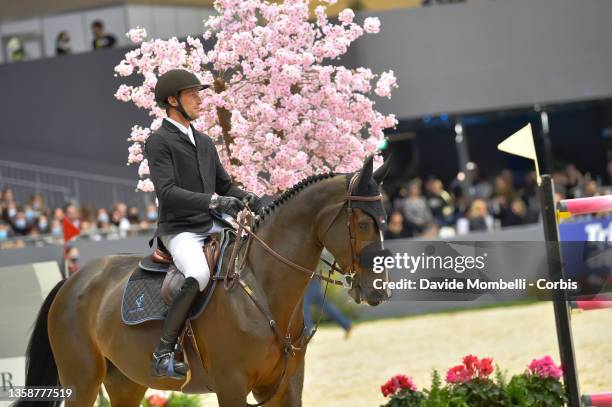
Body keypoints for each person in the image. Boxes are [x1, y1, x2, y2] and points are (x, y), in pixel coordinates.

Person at [145, 69, 262, 380]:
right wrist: (213, 202)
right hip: (180, 230)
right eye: (192, 94)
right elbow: (166, 192)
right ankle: (164, 351)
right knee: (198, 273)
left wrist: (254, 198)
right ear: (172, 101)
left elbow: (226, 187)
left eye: (200, 93)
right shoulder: (158, 142)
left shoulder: (205, 141)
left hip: (212, 227)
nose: (200, 99)